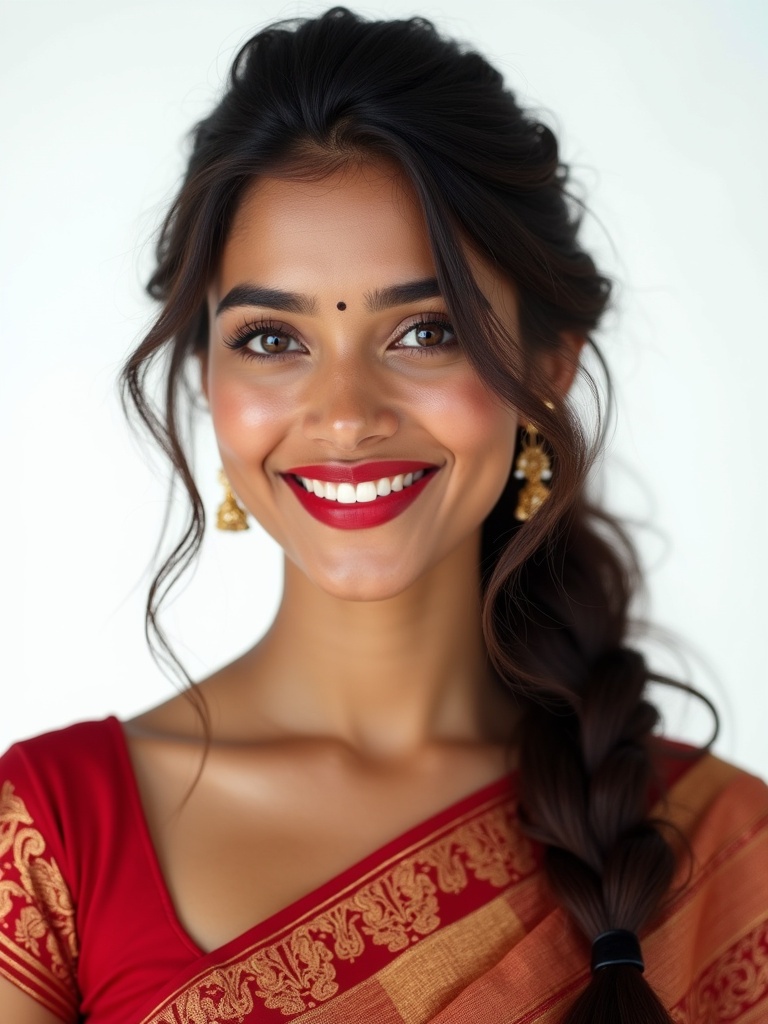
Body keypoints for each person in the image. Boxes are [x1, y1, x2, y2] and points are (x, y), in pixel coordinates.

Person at [1, 8, 766, 1023]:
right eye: (272, 339)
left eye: (425, 330)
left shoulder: (720, 853)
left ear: (548, 367)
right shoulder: (55, 837)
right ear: (209, 380)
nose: (347, 415)